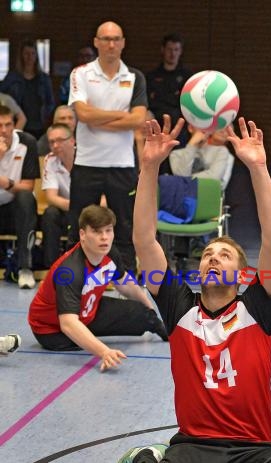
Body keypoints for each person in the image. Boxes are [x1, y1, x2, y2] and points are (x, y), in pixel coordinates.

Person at [116, 116, 271, 463]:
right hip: (195, 448)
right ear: (198, 270)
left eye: (224, 254)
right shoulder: (180, 307)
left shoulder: (257, 308)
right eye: (206, 254)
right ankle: (151, 456)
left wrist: (257, 168)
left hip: (250, 450)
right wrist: (148, 170)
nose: (212, 258)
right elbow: (145, 241)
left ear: (242, 274)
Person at [28, 205, 168, 372]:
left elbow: (126, 284)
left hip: (88, 310)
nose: (104, 238)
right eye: (97, 232)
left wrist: (150, 310)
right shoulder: (69, 271)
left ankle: (170, 332)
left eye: (108, 231)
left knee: (144, 314)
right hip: (51, 329)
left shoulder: (109, 253)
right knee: (78, 342)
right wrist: (104, 351)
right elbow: (68, 323)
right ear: (82, 235)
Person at [68, 20, 147, 274]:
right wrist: (119, 117)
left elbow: (138, 119)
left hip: (122, 165)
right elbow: (82, 113)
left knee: (124, 226)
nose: (111, 44)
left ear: (123, 43)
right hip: (86, 164)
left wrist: (97, 117)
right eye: (105, 39)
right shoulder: (81, 73)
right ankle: (77, 279)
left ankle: (126, 280)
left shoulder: (135, 77)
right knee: (79, 226)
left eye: (116, 39)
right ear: (96, 42)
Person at [168, 124, 235, 262]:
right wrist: (192, 144)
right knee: (182, 199)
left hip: (207, 203)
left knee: (191, 197)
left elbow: (215, 180)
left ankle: (185, 253)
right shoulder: (177, 154)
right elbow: (180, 173)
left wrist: (185, 182)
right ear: (190, 128)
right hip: (182, 203)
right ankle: (189, 251)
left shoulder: (221, 152)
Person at [0, 104, 39, 289]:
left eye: (8, 125)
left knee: (26, 198)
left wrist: (5, 182)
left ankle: (25, 268)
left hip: (14, 207)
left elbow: (28, 186)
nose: (4, 130)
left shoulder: (27, 142)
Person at [0, 39, 55, 139]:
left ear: (36, 56)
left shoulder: (44, 78)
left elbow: (50, 101)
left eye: (32, 53)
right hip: (18, 123)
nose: (29, 57)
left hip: (39, 124)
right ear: (21, 56)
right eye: (26, 53)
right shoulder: (12, 77)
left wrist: (45, 115)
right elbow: (2, 97)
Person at [146, 33, 192, 150]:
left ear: (180, 51)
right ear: (163, 50)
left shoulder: (188, 77)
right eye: (169, 49)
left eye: (176, 50)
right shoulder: (151, 77)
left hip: (180, 130)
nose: (172, 53)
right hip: (157, 129)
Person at [40, 122, 75, 267]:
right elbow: (51, 197)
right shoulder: (50, 159)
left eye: (60, 140)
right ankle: (52, 268)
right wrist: (75, 207)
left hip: (90, 208)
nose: (55, 145)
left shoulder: (87, 158)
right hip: (66, 207)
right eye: (52, 142)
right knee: (50, 213)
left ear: (72, 140)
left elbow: (103, 197)